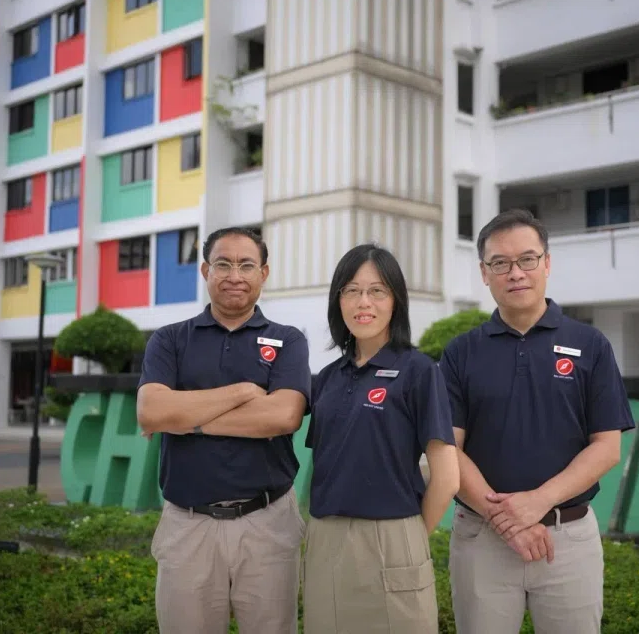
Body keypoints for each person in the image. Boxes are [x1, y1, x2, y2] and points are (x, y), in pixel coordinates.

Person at [439, 209, 635, 634]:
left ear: (547, 263)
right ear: (484, 273)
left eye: (527, 259)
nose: (516, 273)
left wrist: (537, 501)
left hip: (568, 539)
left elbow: (607, 447)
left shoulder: (590, 344)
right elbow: (446, 449)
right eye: (500, 263)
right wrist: (506, 520)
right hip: (482, 542)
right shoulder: (461, 353)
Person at [136, 227, 311, 634]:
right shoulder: (169, 340)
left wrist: (186, 418)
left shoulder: (288, 341)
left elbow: (283, 417)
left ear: (263, 273)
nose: (235, 274)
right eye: (224, 264)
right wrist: (244, 392)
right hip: (188, 524)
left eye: (247, 264)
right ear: (205, 270)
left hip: (267, 521)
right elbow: (150, 411)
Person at [302, 243, 460, 634]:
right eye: (351, 290)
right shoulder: (328, 379)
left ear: (396, 301)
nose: (363, 302)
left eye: (377, 291)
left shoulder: (420, 371)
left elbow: (447, 477)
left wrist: (408, 537)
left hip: (394, 535)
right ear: (338, 301)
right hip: (326, 538)